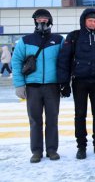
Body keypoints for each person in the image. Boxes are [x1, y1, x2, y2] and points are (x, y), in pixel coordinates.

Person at [57, 8, 95, 159]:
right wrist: (64, 82)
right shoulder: (74, 36)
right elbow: (64, 59)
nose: (92, 23)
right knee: (80, 114)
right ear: (84, 21)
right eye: (90, 20)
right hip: (80, 82)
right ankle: (81, 146)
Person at [11, 9, 64, 163]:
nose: (42, 20)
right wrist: (19, 85)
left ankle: (52, 150)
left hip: (52, 86)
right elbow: (16, 61)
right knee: (35, 120)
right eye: (39, 18)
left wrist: (64, 82)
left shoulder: (58, 40)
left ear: (50, 21)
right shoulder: (25, 40)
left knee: (52, 119)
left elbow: (64, 63)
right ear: (35, 21)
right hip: (32, 87)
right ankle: (36, 151)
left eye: (45, 18)